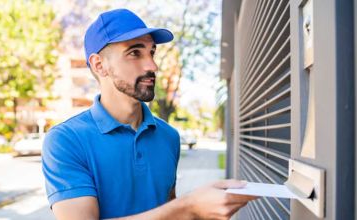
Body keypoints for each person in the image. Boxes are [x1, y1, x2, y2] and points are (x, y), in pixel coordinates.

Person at [42, 8, 256, 220]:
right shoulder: (65, 140)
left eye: (152, 52)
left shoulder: (169, 136)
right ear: (100, 65)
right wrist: (189, 207)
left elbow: (169, 212)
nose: (152, 65)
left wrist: (199, 211)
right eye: (135, 53)